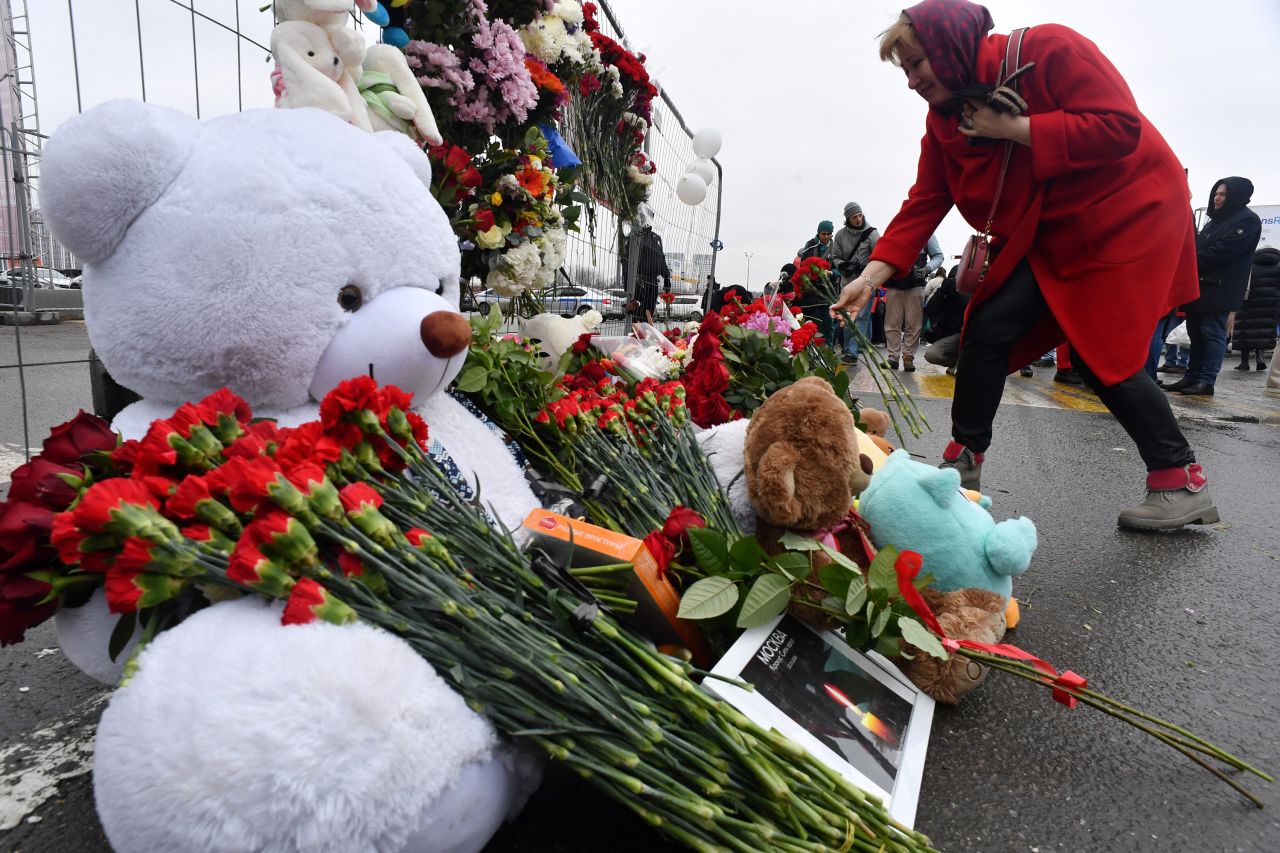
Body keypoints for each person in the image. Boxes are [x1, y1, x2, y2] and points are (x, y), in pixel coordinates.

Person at [831, 0, 1217, 531]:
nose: (912, 80)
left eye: (917, 64)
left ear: (949, 49)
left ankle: (1180, 480)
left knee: (1101, 348)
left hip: (1128, 211)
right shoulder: (946, 114)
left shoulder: (1047, 49)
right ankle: (961, 467)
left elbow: (1118, 128)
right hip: (1054, 227)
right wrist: (869, 277)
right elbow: (927, 197)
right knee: (986, 327)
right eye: (905, 70)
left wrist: (1015, 128)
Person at [1163, 178, 1261, 397]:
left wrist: (1186, 260)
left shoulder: (1247, 220)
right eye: (1216, 193)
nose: (1217, 198)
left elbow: (1223, 252)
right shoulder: (1214, 221)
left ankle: (1206, 381)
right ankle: (1192, 376)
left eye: (1223, 194)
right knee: (1195, 333)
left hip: (1220, 289)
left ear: (1236, 195)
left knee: (1212, 333)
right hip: (1200, 287)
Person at [829, 203, 881, 364]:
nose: (858, 219)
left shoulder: (872, 234)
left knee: (861, 317)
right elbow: (834, 256)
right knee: (846, 316)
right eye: (854, 217)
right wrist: (842, 265)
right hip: (847, 282)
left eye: (860, 215)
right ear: (847, 219)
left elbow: (879, 257)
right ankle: (847, 348)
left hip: (866, 281)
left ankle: (852, 351)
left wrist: (865, 267)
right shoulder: (839, 236)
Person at [883, 234, 944, 371]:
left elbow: (939, 256)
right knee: (892, 323)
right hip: (894, 284)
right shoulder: (896, 230)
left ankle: (908, 357)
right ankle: (893, 357)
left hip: (915, 284)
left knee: (914, 324)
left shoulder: (928, 233)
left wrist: (926, 269)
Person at [1230, 247, 1279, 373]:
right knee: (1263, 330)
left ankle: (1244, 362)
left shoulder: (1249, 264)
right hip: (1270, 304)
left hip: (1248, 304)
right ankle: (1260, 358)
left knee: (1245, 331)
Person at [621, 203, 672, 324]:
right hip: (639, 282)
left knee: (649, 313)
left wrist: (666, 277)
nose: (648, 220)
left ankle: (646, 339)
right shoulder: (634, 236)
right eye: (646, 217)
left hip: (653, 282)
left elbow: (661, 258)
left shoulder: (656, 238)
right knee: (638, 315)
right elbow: (626, 261)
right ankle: (634, 338)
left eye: (650, 217)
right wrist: (628, 284)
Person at [922, 264, 969, 374]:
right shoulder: (947, 290)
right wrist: (942, 291)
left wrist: (960, 294)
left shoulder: (971, 292)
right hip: (952, 335)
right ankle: (958, 363)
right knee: (931, 355)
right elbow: (930, 310)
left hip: (969, 336)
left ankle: (966, 364)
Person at [795, 220, 836, 340]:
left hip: (828, 291)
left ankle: (829, 347)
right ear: (818, 233)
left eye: (829, 234)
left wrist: (832, 273)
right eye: (824, 234)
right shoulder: (810, 246)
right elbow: (803, 267)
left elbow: (839, 269)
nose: (826, 237)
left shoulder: (835, 247)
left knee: (827, 323)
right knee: (810, 322)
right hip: (811, 291)